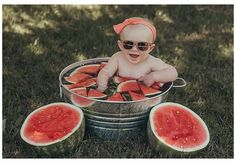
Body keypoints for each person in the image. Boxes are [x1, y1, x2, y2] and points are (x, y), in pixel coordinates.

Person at [97, 17, 178, 92]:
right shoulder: (117, 58)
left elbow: (173, 72)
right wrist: (102, 86)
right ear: (120, 45)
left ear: (150, 48)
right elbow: (105, 72)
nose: (134, 49)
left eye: (142, 45)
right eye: (128, 44)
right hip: (117, 91)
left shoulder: (151, 62)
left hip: (142, 95)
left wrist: (154, 76)